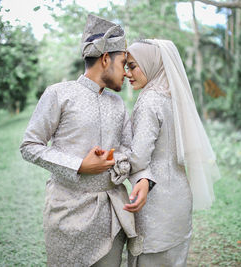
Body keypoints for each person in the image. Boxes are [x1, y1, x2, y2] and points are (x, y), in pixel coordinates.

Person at [20, 14, 143, 266]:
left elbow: (129, 150)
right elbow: (30, 146)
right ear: (105, 58)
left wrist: (117, 161)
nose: (126, 72)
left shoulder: (117, 104)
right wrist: (79, 165)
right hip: (68, 214)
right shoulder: (59, 94)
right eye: (123, 63)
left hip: (111, 213)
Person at [123, 39, 221, 267]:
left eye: (133, 66)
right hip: (179, 196)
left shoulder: (149, 101)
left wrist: (116, 152)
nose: (128, 73)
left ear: (150, 64)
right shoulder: (174, 98)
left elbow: (138, 158)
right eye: (127, 66)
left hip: (155, 201)